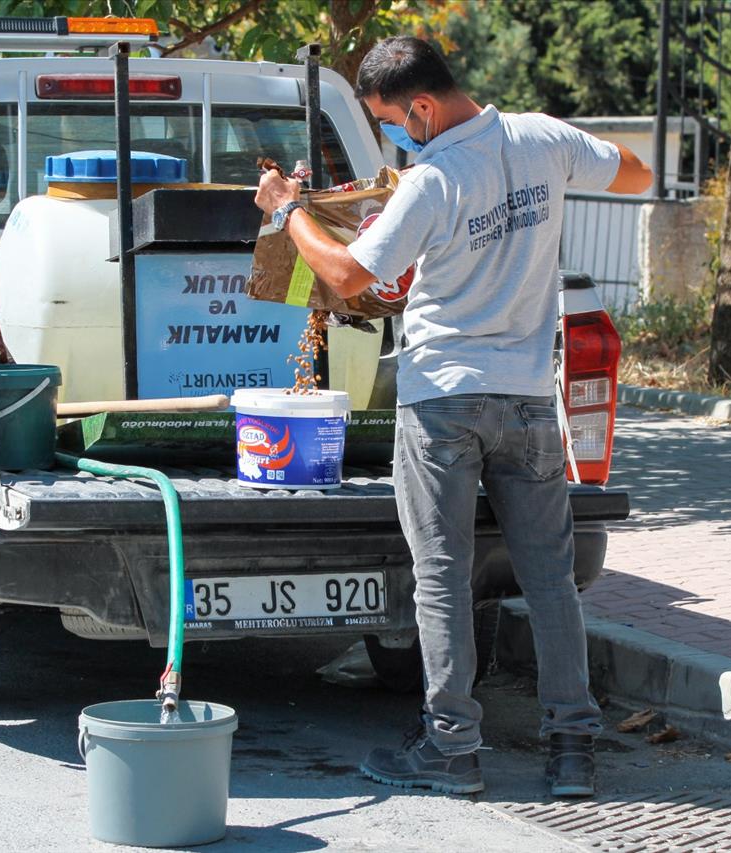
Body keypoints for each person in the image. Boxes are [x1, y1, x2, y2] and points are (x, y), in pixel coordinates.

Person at [253, 35, 652, 798]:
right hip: (531, 401)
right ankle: (573, 748)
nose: (397, 138)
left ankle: (451, 748)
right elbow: (636, 171)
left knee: (439, 577)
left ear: (425, 107)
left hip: (443, 403)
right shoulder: (542, 137)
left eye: (394, 123)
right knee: (550, 580)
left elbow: (343, 272)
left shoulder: (432, 183)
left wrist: (291, 208)